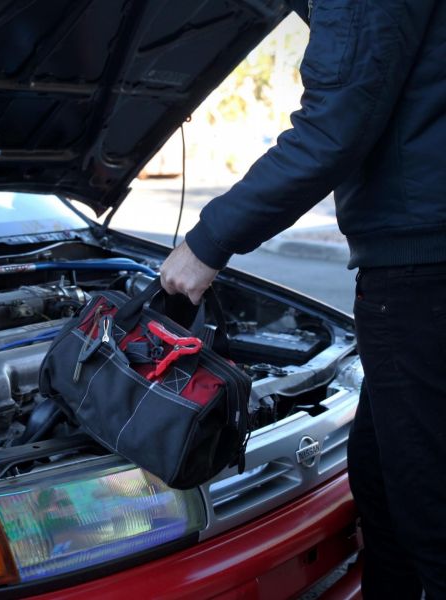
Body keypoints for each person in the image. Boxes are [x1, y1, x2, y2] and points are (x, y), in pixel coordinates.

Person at [160, 1, 446, 598]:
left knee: (428, 516)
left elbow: (332, 128)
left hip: (420, 274)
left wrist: (207, 244)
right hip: (420, 263)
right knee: (383, 490)